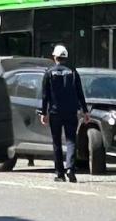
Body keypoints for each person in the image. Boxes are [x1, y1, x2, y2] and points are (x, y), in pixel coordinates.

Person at [39, 44, 90, 182]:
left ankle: (59, 174)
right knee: (71, 141)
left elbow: (45, 95)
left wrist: (44, 113)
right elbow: (80, 93)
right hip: (71, 112)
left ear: (54, 57)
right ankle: (71, 169)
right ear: (66, 57)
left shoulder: (49, 72)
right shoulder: (73, 72)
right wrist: (85, 111)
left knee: (56, 142)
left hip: (55, 112)